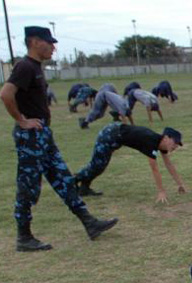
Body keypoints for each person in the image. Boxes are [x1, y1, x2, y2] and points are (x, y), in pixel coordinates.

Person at [0, 26, 118, 252]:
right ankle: (24, 236)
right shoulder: (24, 66)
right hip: (30, 137)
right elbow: (5, 94)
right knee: (28, 186)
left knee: (63, 179)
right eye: (49, 42)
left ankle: (89, 223)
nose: (53, 47)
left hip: (43, 136)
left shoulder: (35, 67)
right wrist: (22, 120)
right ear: (34, 41)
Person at [74, 124, 185, 202]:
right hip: (110, 134)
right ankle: (72, 180)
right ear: (166, 138)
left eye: (177, 144)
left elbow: (169, 165)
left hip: (117, 136)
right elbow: (154, 169)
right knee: (98, 164)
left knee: (99, 165)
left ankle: (84, 188)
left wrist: (180, 184)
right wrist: (161, 191)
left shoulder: (161, 145)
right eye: (175, 142)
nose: (175, 146)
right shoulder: (151, 141)